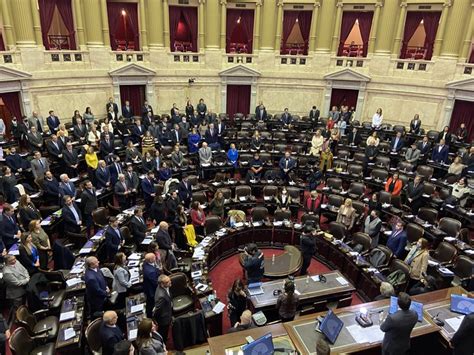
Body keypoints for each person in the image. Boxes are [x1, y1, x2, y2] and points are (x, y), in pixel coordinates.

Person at [2, 255, 30, 321]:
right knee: (18, 308)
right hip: (16, 293)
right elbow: (17, 283)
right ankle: (18, 320)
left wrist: (27, 277)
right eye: (11, 260)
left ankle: (25, 316)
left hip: (24, 287)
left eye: (14, 259)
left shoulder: (17, 262)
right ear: (7, 262)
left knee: (24, 304)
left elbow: (25, 270)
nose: (14, 261)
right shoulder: (6, 272)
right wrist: (27, 280)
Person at [153, 274, 173, 344]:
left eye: (169, 280)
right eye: (167, 282)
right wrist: (156, 320)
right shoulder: (161, 296)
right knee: (163, 332)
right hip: (164, 318)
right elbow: (156, 310)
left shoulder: (164, 287)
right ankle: (163, 343)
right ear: (162, 284)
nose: (170, 282)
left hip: (167, 310)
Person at [143, 253, 160, 318]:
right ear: (150, 260)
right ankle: (150, 317)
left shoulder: (145, 263)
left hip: (147, 286)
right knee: (151, 303)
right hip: (151, 290)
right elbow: (155, 283)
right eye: (154, 257)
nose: (155, 258)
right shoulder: (151, 272)